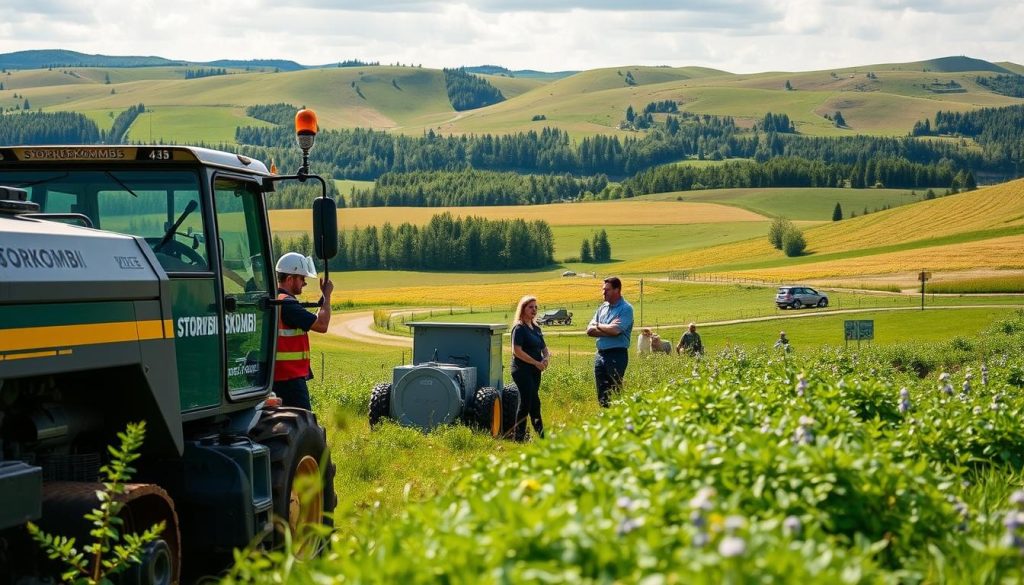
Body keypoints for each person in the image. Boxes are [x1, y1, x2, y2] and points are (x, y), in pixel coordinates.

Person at [272, 252, 334, 410]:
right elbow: (322, 325)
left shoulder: (276, 300)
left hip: (279, 377)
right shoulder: (287, 305)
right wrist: (326, 296)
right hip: (290, 380)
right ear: (290, 279)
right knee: (303, 424)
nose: (304, 283)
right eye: (302, 278)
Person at [587, 276, 634, 407]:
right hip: (600, 355)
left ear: (617, 290)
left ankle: (619, 422)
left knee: (615, 391)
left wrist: (598, 325)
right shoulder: (602, 308)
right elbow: (589, 330)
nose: (603, 292)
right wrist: (607, 329)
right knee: (602, 393)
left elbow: (615, 330)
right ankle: (605, 422)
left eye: (607, 290)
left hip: (616, 355)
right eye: (603, 289)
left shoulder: (626, 309)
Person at [510, 295, 548, 440]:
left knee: (531, 401)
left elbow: (544, 348)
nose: (534, 310)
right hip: (521, 370)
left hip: (535, 370)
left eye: (536, 307)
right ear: (523, 309)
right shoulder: (519, 328)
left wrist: (546, 358)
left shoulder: (536, 328)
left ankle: (531, 436)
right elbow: (517, 351)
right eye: (530, 307)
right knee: (530, 401)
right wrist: (535, 362)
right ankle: (522, 437)